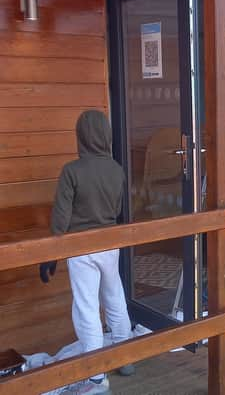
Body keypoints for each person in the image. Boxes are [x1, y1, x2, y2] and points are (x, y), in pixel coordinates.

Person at [41, 110, 134, 395]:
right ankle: (126, 358)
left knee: (86, 307)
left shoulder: (72, 171)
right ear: (105, 135)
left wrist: (50, 255)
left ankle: (95, 377)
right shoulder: (116, 169)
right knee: (115, 296)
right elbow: (118, 211)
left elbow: (60, 217)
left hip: (81, 249)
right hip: (110, 243)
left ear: (80, 136)